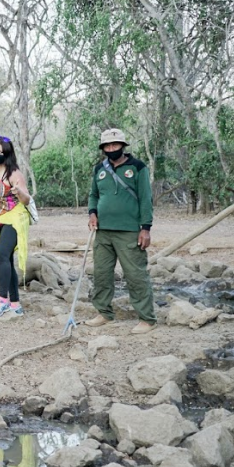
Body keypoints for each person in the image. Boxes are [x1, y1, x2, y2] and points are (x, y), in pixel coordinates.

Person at [85, 128, 156, 334]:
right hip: (103, 231)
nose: (111, 148)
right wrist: (92, 213)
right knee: (101, 274)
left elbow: (145, 199)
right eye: (107, 146)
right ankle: (104, 313)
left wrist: (146, 228)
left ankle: (147, 318)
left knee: (135, 275)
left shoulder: (137, 167)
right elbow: (93, 195)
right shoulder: (99, 168)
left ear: (123, 146)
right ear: (103, 148)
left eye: (115, 145)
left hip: (129, 231)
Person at [0, 136, 33, 319]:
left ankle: (2, 299)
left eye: (0, 152)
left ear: (7, 154)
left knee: (3, 253)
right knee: (6, 259)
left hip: (15, 217)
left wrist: (19, 192)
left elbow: (27, 199)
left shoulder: (14, 174)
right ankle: (15, 303)